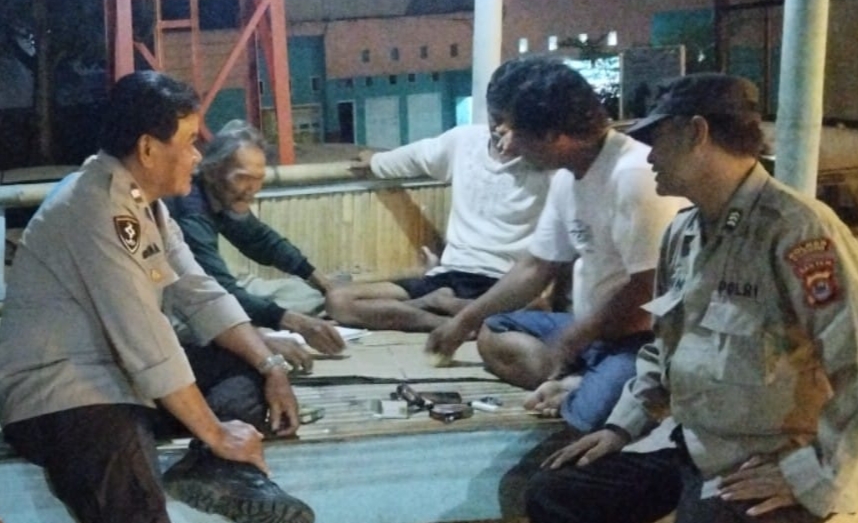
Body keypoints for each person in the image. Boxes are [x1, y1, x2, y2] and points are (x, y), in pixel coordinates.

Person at [527, 73, 858, 523]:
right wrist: (621, 427)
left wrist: (811, 477)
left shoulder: (796, 230)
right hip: (687, 443)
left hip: (760, 458)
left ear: (697, 133)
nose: (650, 156)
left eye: (658, 139)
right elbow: (663, 349)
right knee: (556, 492)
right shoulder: (682, 233)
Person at [0, 71, 313, 523]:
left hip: (122, 379)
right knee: (135, 495)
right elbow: (146, 339)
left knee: (242, 367)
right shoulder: (94, 206)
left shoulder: (146, 205)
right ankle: (217, 459)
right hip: (61, 394)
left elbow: (201, 293)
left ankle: (214, 473)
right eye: (188, 141)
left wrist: (271, 366)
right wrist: (216, 432)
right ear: (147, 148)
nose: (197, 157)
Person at [426, 57, 687, 432]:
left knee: (586, 420)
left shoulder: (634, 176)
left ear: (552, 134)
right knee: (493, 332)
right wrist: (463, 321)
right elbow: (535, 267)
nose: (507, 143)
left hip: (641, 339)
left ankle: (587, 386)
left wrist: (576, 338)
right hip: (589, 331)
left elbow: (649, 292)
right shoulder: (568, 176)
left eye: (513, 130)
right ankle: (584, 378)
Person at [324, 63, 553, 332]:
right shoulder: (465, 141)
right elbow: (416, 156)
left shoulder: (549, 164)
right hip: (447, 275)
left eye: (514, 124)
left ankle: (448, 314)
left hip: (502, 283)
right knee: (338, 300)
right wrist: (375, 162)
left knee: (533, 308)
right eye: (497, 118)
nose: (502, 130)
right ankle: (447, 318)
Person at [164, 120, 345, 369]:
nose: (252, 189)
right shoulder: (191, 211)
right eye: (243, 178)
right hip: (175, 304)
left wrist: (324, 283)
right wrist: (286, 329)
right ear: (212, 171)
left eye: (258, 179)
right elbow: (215, 292)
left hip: (208, 291)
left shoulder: (222, 194)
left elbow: (261, 240)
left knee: (300, 292)